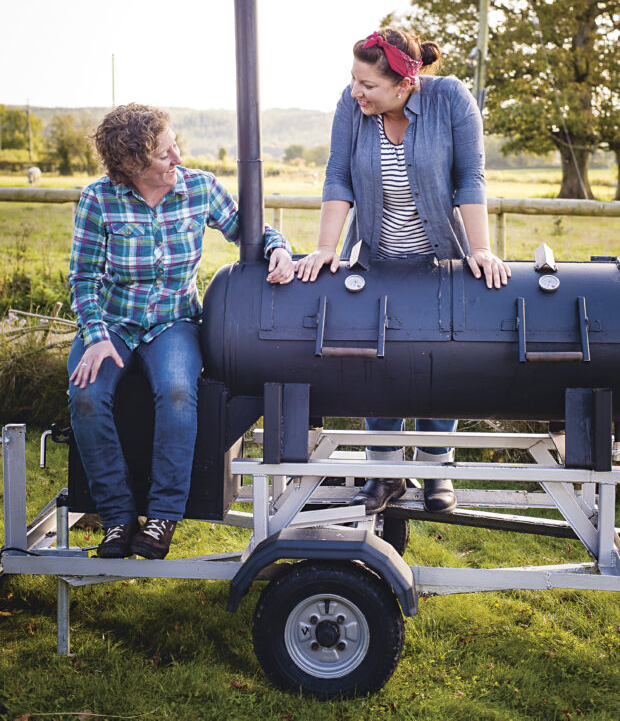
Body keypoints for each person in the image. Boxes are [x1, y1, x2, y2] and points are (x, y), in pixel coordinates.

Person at [295, 28, 510, 515]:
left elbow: (469, 176)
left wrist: (480, 249)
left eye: (367, 84)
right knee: (378, 361)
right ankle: (384, 473)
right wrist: (326, 247)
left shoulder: (450, 99)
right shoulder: (352, 109)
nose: (356, 92)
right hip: (377, 261)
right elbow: (337, 175)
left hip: (439, 262)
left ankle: (437, 469)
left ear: (404, 83)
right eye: (354, 80)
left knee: (441, 363)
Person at [68, 103, 294, 559]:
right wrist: (94, 336)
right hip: (112, 321)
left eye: (175, 147)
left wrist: (278, 249)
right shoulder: (99, 199)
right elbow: (83, 277)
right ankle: (116, 517)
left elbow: (248, 230)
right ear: (132, 165)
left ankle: (162, 518)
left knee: (176, 391)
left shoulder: (200, 188)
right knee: (86, 396)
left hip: (175, 321)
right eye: (165, 154)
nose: (178, 159)